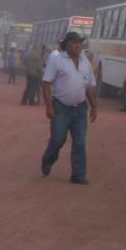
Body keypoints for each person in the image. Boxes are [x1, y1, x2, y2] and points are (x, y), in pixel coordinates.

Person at [40, 32, 97, 185]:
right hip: (61, 108)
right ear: (67, 45)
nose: (78, 45)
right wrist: (49, 106)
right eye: (74, 43)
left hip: (80, 109)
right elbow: (46, 83)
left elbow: (90, 86)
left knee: (79, 142)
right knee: (58, 139)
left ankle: (78, 175)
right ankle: (47, 160)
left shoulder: (86, 62)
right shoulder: (57, 60)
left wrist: (94, 106)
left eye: (79, 43)